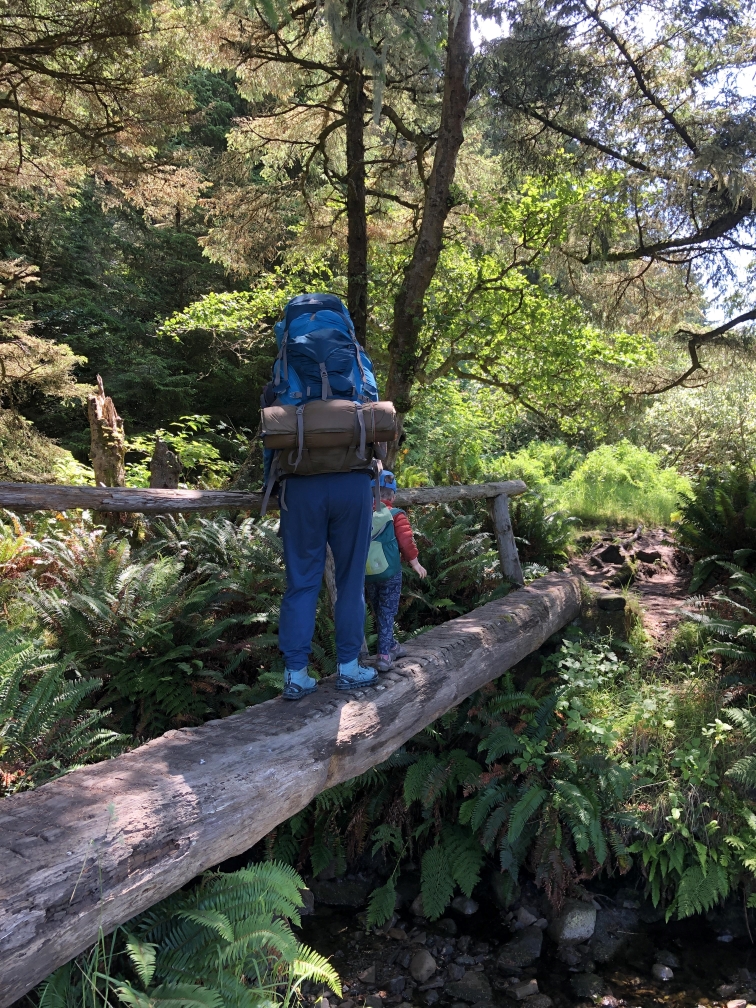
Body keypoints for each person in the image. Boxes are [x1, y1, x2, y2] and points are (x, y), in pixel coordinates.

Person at [364, 471, 427, 672]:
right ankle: (383, 655)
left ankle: (391, 645)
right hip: (390, 572)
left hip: (367, 573)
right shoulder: (395, 515)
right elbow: (406, 541)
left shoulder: (361, 515)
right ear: (392, 496)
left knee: (378, 609)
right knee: (388, 611)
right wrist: (415, 563)